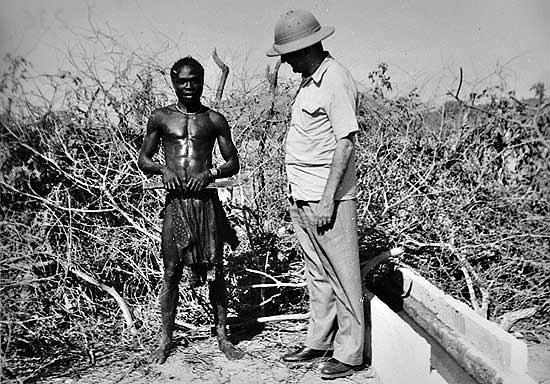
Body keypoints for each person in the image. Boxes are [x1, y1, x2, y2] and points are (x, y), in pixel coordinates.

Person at [266, 10, 365, 380]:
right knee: (318, 273)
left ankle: (350, 352)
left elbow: (345, 144)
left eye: (289, 54)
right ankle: (320, 341)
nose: (287, 62)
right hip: (302, 193)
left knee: (344, 276)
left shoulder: (335, 79)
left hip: (329, 199)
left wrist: (327, 199)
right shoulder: (310, 81)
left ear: (306, 48)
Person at [138, 56, 243, 364]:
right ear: (174, 82)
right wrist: (161, 170)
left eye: (194, 80)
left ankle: (223, 335)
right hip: (176, 204)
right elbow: (143, 159)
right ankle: (165, 340)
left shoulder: (213, 120)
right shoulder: (161, 118)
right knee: (171, 272)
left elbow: (232, 162)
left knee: (216, 270)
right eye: (182, 81)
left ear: (201, 81)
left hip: (205, 203)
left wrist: (208, 174)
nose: (188, 86)